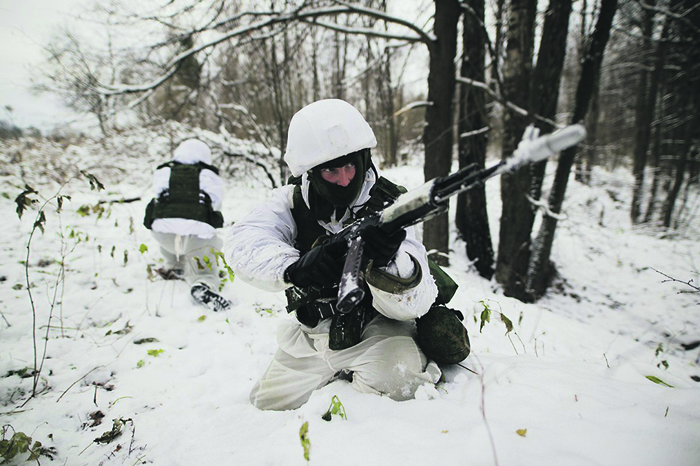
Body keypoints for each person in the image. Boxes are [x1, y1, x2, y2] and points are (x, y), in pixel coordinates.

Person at [225, 99, 446, 411]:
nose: (344, 179)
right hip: (312, 335)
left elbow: (417, 303)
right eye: (330, 171)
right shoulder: (292, 202)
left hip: (379, 333)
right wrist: (294, 268)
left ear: (363, 159)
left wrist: (389, 264)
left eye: (350, 166)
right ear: (311, 173)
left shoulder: (393, 207)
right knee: (264, 407)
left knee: (400, 384)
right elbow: (242, 242)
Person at [144, 138, 232, 312]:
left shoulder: (164, 171)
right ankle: (203, 283)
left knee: (171, 227)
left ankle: (174, 265)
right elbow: (215, 206)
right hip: (197, 232)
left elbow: (158, 198)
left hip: (162, 232)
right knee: (203, 246)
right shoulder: (209, 175)